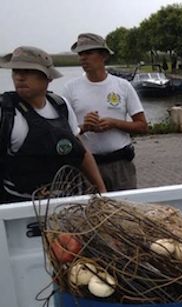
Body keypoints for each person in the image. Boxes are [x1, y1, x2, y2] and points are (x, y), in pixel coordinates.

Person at [0, 46, 106, 203]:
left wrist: (102, 191)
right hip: (17, 203)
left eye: (28, 71)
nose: (20, 77)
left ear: (48, 78)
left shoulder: (61, 105)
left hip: (63, 201)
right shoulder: (5, 111)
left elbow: (81, 152)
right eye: (16, 71)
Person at [62, 33, 148, 191]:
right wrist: (84, 127)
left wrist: (114, 123)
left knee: (125, 212)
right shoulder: (70, 88)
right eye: (80, 54)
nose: (83, 58)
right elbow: (63, 132)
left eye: (88, 53)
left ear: (104, 56)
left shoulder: (122, 86)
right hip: (86, 167)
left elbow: (142, 126)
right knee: (91, 214)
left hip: (121, 166)